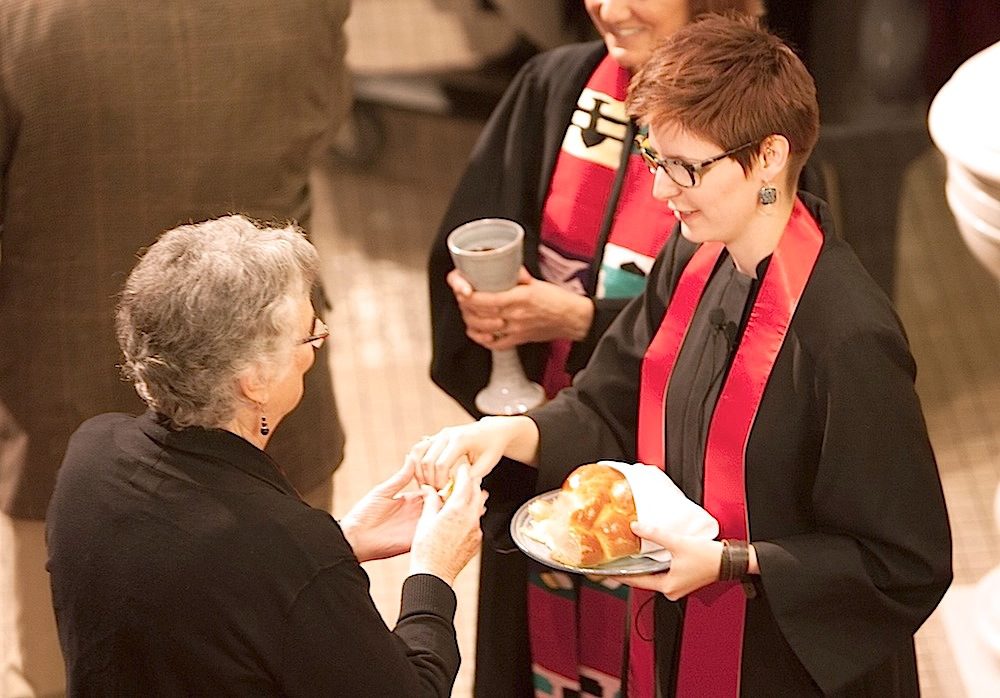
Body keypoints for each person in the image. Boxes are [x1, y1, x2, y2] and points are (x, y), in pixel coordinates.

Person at [413, 14, 952, 696]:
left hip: (784, 667)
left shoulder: (849, 339)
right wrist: (505, 434)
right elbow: (612, 397)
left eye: (686, 168)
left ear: (768, 158)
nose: (662, 191)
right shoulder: (693, 256)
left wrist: (733, 562)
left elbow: (902, 561)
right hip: (677, 637)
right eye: (655, 160)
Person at [0, 2, 349, 693]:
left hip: (66, 395)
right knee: (295, 661)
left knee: (73, 666)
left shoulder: (19, 20)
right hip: (269, 382)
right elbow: (316, 133)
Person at [427, 1, 763, 694]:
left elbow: (749, 323)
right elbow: (466, 237)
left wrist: (582, 318)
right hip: (547, 470)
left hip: (680, 505)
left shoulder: (753, 122)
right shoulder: (554, 86)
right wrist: (485, 306)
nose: (609, 8)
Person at [45, 216, 486, 695]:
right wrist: (432, 571)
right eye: (309, 335)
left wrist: (340, 544)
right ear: (253, 380)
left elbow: (189, 592)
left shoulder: (90, 454)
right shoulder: (284, 547)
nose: (316, 345)